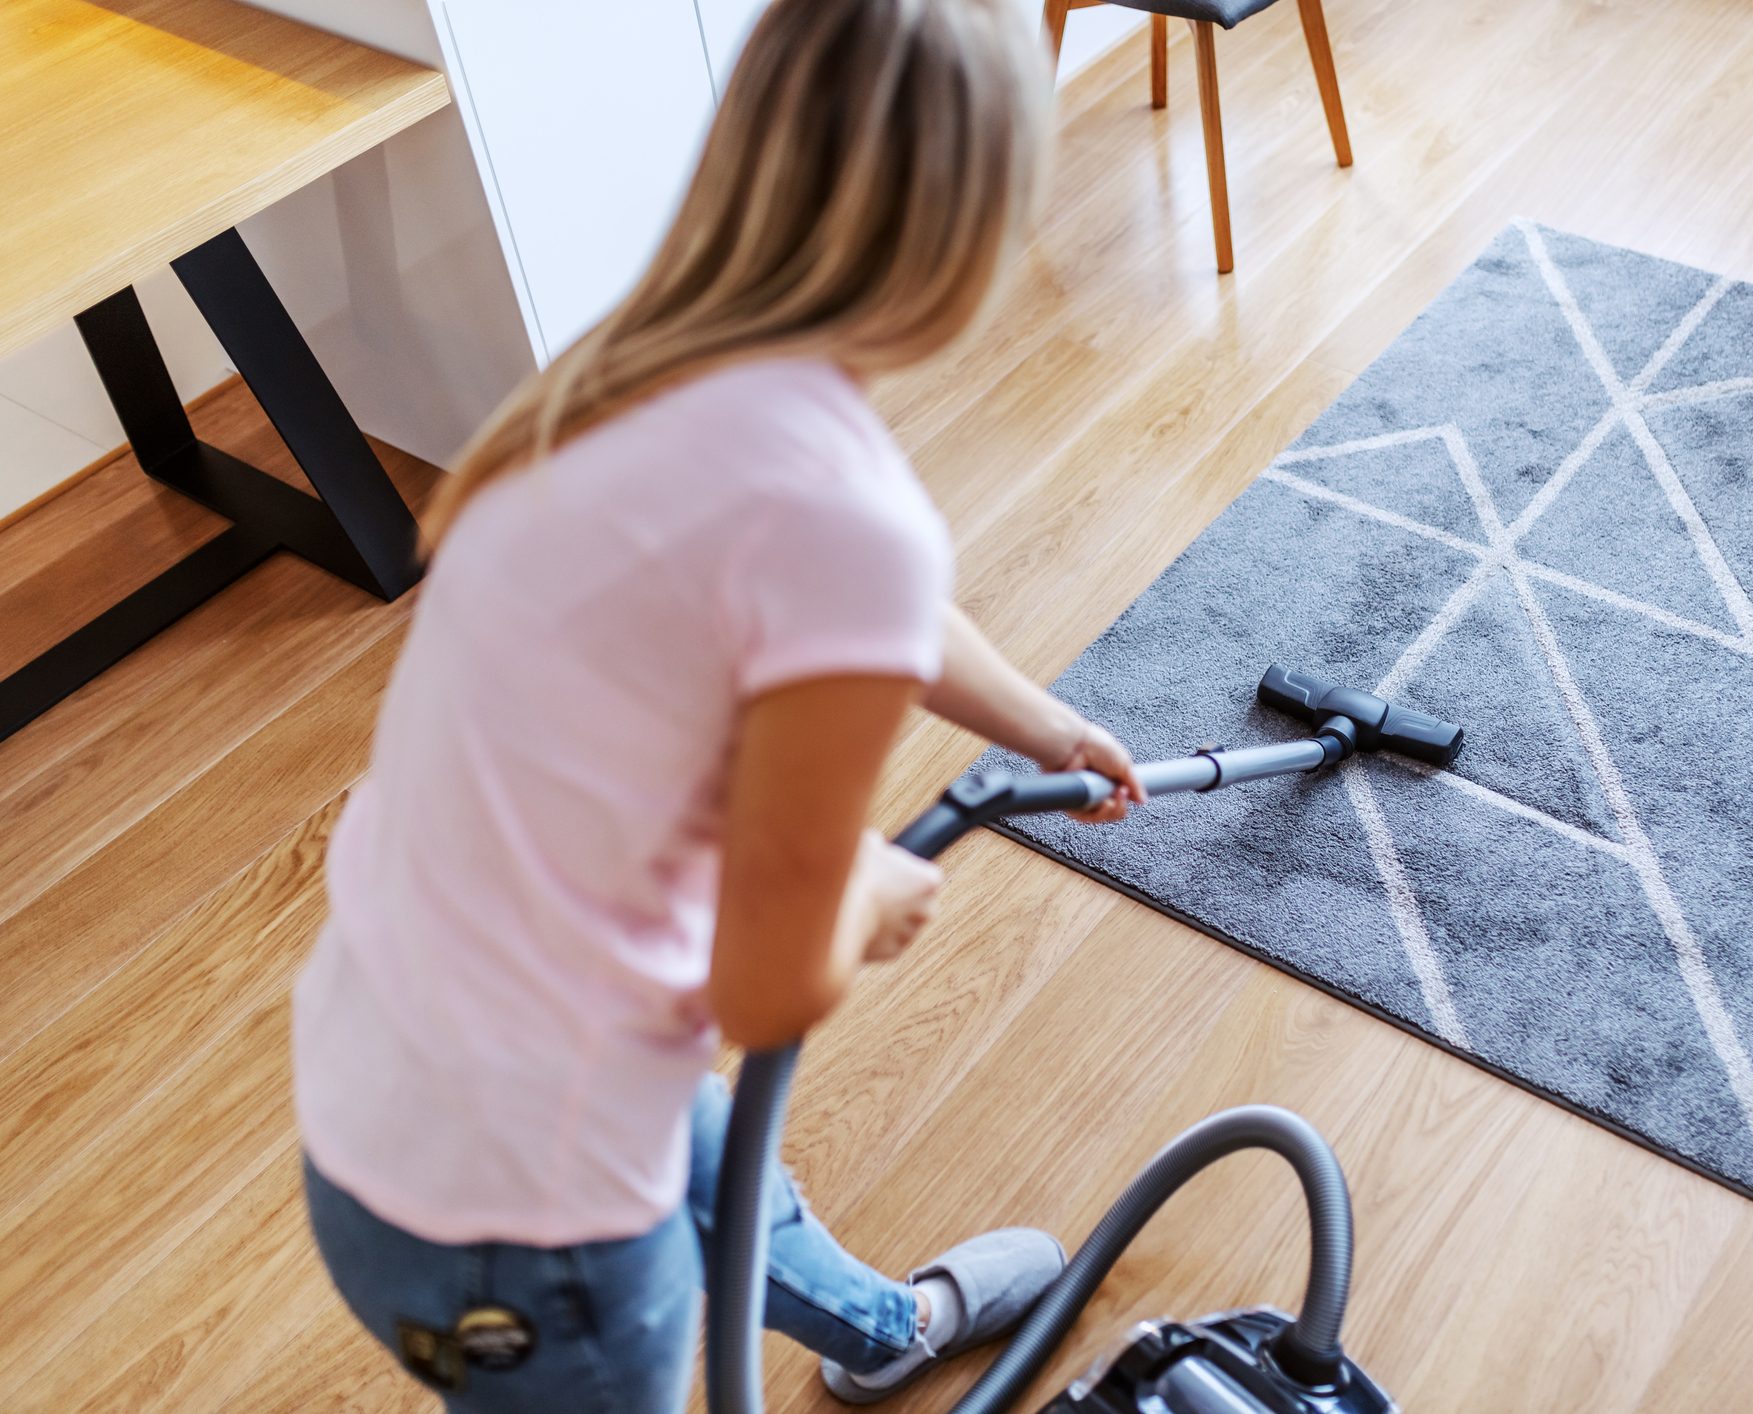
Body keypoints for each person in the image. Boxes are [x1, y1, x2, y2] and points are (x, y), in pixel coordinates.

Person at [291, 1, 1145, 1407]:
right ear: (974, 224)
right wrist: (867, 897)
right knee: (668, 1184)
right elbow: (764, 984)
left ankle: (879, 1329)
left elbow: (859, 608)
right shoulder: (845, 520)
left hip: (391, 1078)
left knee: (710, 1155)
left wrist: (1039, 725)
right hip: (519, 1240)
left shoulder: (635, 367)